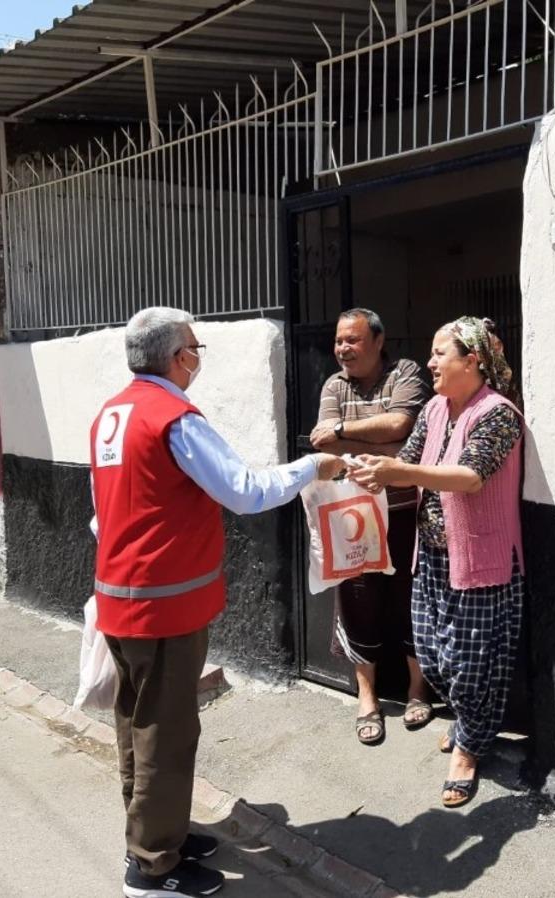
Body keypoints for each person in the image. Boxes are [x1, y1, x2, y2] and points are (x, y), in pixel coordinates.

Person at [90, 307, 346, 898]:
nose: (198, 358)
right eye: (195, 348)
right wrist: (313, 466)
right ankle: (153, 866)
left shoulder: (113, 414)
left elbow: (104, 516)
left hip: (122, 598)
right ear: (179, 357)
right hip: (163, 607)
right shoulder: (174, 417)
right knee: (166, 732)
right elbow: (245, 491)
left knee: (137, 723)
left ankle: (159, 831)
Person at [350, 316, 524, 810]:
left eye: (439, 354)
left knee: (472, 666)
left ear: (472, 361)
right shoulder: (434, 408)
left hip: (481, 558)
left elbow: (470, 476)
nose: (429, 363)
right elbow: (407, 457)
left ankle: (467, 751)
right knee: (433, 653)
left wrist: (397, 469)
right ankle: (471, 723)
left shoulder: (499, 414)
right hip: (430, 556)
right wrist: (370, 471)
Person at [309, 308, 433, 745]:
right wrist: (378, 443)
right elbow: (323, 443)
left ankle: (419, 690)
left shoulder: (406, 373)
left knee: (409, 598)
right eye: (339, 341)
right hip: (354, 514)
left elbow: (403, 429)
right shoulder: (333, 384)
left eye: (353, 340)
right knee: (358, 601)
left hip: (403, 510)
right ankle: (368, 697)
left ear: (379, 341)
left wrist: (346, 432)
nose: (343, 348)